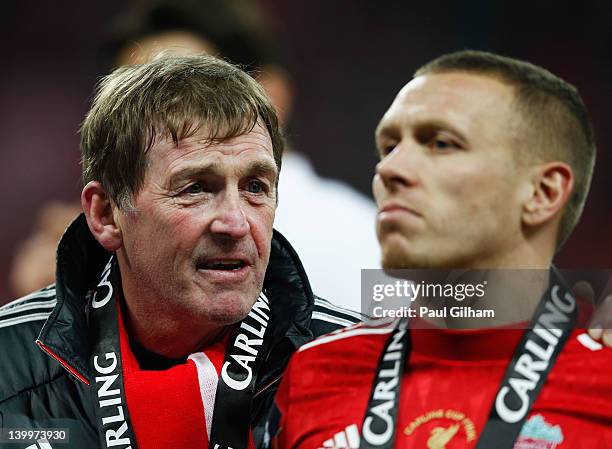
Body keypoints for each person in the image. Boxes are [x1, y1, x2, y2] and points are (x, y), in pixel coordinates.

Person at [0, 55, 362, 449]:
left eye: (255, 187)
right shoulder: (8, 366)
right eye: (195, 188)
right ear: (106, 214)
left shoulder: (362, 364)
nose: (236, 223)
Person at [267, 50, 612, 449]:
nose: (390, 170)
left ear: (542, 192)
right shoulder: (314, 370)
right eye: (389, 146)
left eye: (441, 143)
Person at [8, 0, 380, 310]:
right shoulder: (105, 251)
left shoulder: (366, 244)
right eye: (128, 100)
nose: (146, 117)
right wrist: (59, 316)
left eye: (181, 89)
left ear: (269, 96)